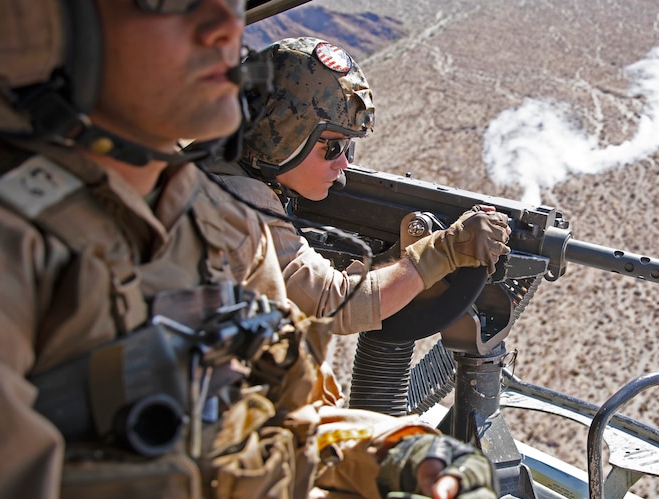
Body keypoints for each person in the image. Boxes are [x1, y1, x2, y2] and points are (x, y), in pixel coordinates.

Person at [0, 0, 622, 499]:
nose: (225, 17)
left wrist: (395, 453)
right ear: (31, 8)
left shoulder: (207, 217)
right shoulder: (10, 253)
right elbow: (338, 302)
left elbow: (276, 412)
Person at [209, 36, 510, 360]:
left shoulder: (208, 168)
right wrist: (443, 252)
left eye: (349, 146)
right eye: (333, 147)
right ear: (278, 135)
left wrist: (391, 264)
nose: (343, 165)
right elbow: (333, 303)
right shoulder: (239, 203)